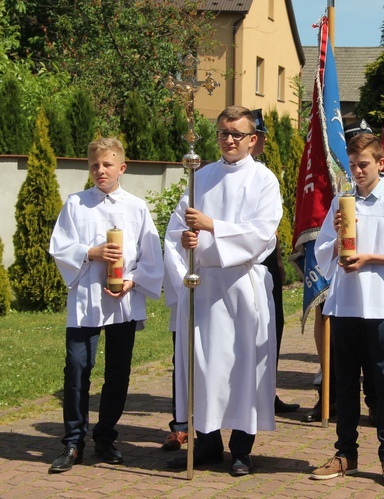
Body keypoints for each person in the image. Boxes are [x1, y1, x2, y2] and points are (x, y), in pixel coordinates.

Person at [164, 105, 282, 476]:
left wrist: (212, 226)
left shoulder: (264, 180)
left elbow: (262, 232)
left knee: (243, 366)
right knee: (203, 365)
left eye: (237, 134)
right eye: (223, 133)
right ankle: (209, 444)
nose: (229, 140)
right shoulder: (200, 176)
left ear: (252, 139)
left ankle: (242, 450)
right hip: (204, 286)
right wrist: (186, 247)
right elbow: (173, 233)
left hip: (241, 285)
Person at [311, 133, 384, 489]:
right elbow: (322, 252)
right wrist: (335, 239)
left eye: (364, 164)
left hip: (381, 306)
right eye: (353, 165)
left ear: (379, 163)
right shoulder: (341, 204)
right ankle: (346, 453)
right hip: (345, 305)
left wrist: (371, 257)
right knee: (345, 384)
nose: (357, 171)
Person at [48, 138, 164, 473]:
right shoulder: (76, 204)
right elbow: (60, 245)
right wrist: (91, 252)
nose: (101, 171)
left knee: (118, 371)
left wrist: (131, 280)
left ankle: (105, 435)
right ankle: (73, 442)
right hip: (86, 298)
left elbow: (150, 256)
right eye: (95, 165)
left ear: (122, 168)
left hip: (122, 299)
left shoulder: (136, 207)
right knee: (77, 368)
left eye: (108, 164)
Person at [249, 108, 300, 414]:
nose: (265, 141)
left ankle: (267, 389)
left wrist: (278, 260)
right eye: (261, 135)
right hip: (241, 261)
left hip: (266, 258)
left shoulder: (264, 172)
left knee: (273, 325)